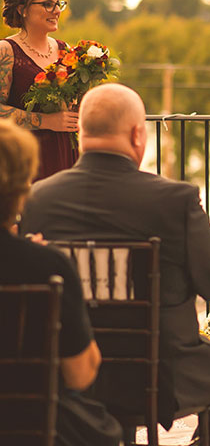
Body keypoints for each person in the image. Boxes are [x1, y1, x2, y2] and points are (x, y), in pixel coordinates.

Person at [19, 83, 210, 446]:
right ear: (138, 134)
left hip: (67, 374)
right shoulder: (175, 200)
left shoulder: (37, 200)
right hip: (163, 371)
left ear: (80, 134)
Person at [0, 120, 121, 446]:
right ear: (22, 189)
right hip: (25, 424)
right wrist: (34, 258)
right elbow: (81, 373)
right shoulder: (45, 266)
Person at [1, 0, 79, 180]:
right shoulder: (6, 51)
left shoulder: (66, 50)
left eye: (58, 4)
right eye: (47, 4)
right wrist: (47, 121)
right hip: (24, 159)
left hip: (66, 152)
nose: (56, 11)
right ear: (22, 9)